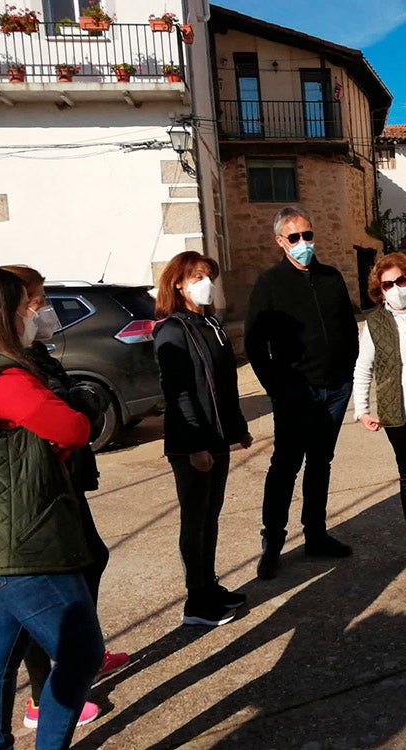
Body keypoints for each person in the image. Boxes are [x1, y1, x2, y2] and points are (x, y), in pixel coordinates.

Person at [0, 264, 104, 749]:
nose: (31, 315)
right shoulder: (4, 377)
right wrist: (79, 406)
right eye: (22, 308)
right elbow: (73, 428)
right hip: (27, 541)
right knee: (80, 653)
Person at [3, 265, 129, 731]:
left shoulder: (36, 354)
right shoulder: (11, 368)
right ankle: (42, 697)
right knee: (39, 597)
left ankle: (82, 653)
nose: (44, 309)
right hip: (36, 498)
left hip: (66, 483)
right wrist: (81, 404)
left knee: (90, 559)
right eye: (34, 301)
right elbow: (66, 422)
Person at [245, 205, 359, 580]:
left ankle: (316, 535)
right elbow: (255, 345)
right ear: (281, 242)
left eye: (307, 235)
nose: (303, 243)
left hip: (335, 389)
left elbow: (346, 323)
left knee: (320, 463)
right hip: (296, 393)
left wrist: (347, 371)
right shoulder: (270, 283)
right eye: (294, 238)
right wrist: (280, 389)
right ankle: (273, 544)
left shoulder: (330, 277)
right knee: (285, 466)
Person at [154, 252, 252, 626]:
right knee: (194, 520)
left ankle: (209, 586)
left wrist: (237, 427)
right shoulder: (172, 330)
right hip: (192, 441)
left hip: (216, 437)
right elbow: (178, 392)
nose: (205, 282)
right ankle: (196, 602)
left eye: (209, 275)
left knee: (210, 517)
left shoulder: (209, 324)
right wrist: (194, 444)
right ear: (179, 282)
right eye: (197, 276)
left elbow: (225, 385)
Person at [353, 253, 406, 568]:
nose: (395, 288)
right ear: (380, 290)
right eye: (387, 284)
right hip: (398, 414)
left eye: (400, 281)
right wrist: (362, 410)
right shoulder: (374, 323)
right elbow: (363, 368)